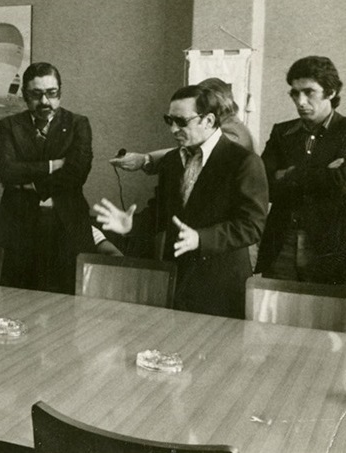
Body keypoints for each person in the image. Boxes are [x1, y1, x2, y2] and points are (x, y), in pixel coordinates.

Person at [95, 85, 268, 319]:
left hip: (220, 288)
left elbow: (252, 226)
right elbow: (160, 213)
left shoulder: (244, 161)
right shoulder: (172, 160)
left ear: (208, 120)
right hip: (177, 283)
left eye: (181, 122)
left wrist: (201, 239)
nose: (173, 129)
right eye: (169, 120)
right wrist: (132, 225)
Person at [0, 62, 95, 293]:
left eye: (51, 93)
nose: (45, 101)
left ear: (60, 92)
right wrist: (52, 165)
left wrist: (32, 184)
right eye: (36, 94)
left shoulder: (78, 124)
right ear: (24, 95)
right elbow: (7, 171)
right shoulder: (9, 125)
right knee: (13, 298)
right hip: (17, 228)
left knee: (67, 301)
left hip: (66, 226)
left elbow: (77, 173)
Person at [256, 56, 346, 284]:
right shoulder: (282, 132)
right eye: (295, 93)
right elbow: (263, 185)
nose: (300, 101)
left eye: (309, 92)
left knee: (323, 306)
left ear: (331, 92)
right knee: (273, 303)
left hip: (329, 246)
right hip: (280, 243)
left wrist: (288, 174)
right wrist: (324, 173)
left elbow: (341, 184)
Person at [110, 77, 255, 173]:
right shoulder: (230, 124)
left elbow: (197, 153)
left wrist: (145, 160)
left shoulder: (233, 133)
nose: (173, 129)